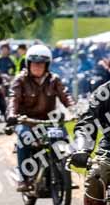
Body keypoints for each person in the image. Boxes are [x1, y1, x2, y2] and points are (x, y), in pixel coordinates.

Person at [6, 44, 75, 192]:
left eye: (41, 64)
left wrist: (74, 110)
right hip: (27, 121)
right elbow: (13, 98)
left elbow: (66, 95)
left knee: (63, 139)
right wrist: (12, 115)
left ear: (47, 65)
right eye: (34, 63)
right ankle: (23, 178)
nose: (37, 67)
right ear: (28, 64)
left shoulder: (54, 80)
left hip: (49, 121)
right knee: (25, 138)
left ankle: (65, 174)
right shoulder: (20, 80)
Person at [71, 80, 110, 205]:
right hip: (109, 151)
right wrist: (82, 148)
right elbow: (86, 123)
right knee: (95, 176)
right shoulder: (103, 93)